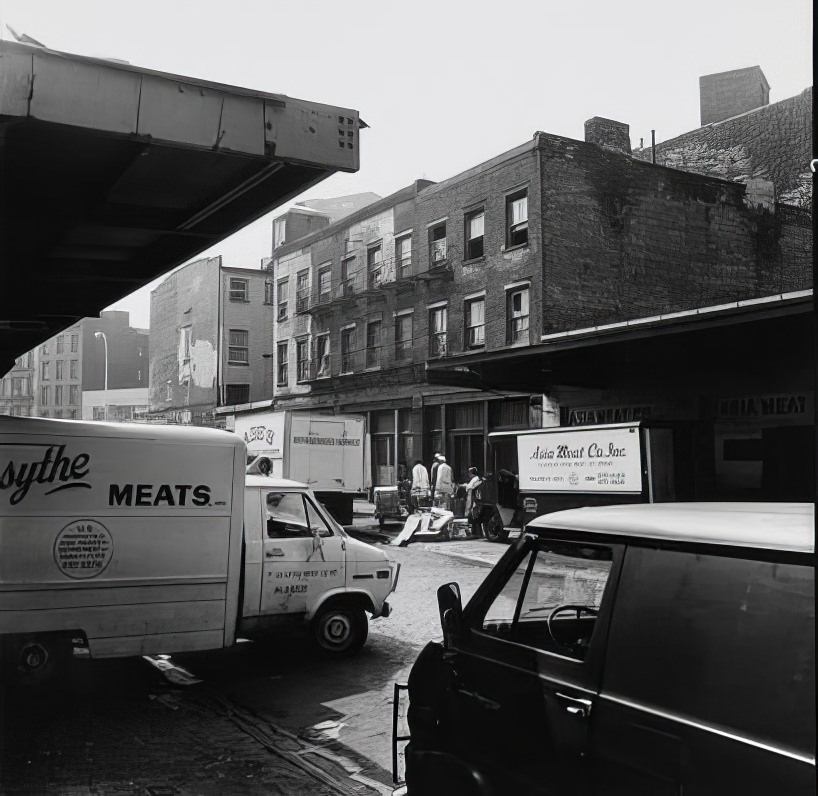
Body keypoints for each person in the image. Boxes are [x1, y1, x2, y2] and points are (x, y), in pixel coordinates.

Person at [464, 466, 484, 537]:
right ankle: (476, 532)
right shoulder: (476, 479)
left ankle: (476, 533)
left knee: (474, 515)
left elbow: (471, 488)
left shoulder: (476, 479)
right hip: (473, 498)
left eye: (469, 472)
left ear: (471, 473)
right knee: (474, 516)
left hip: (474, 499)